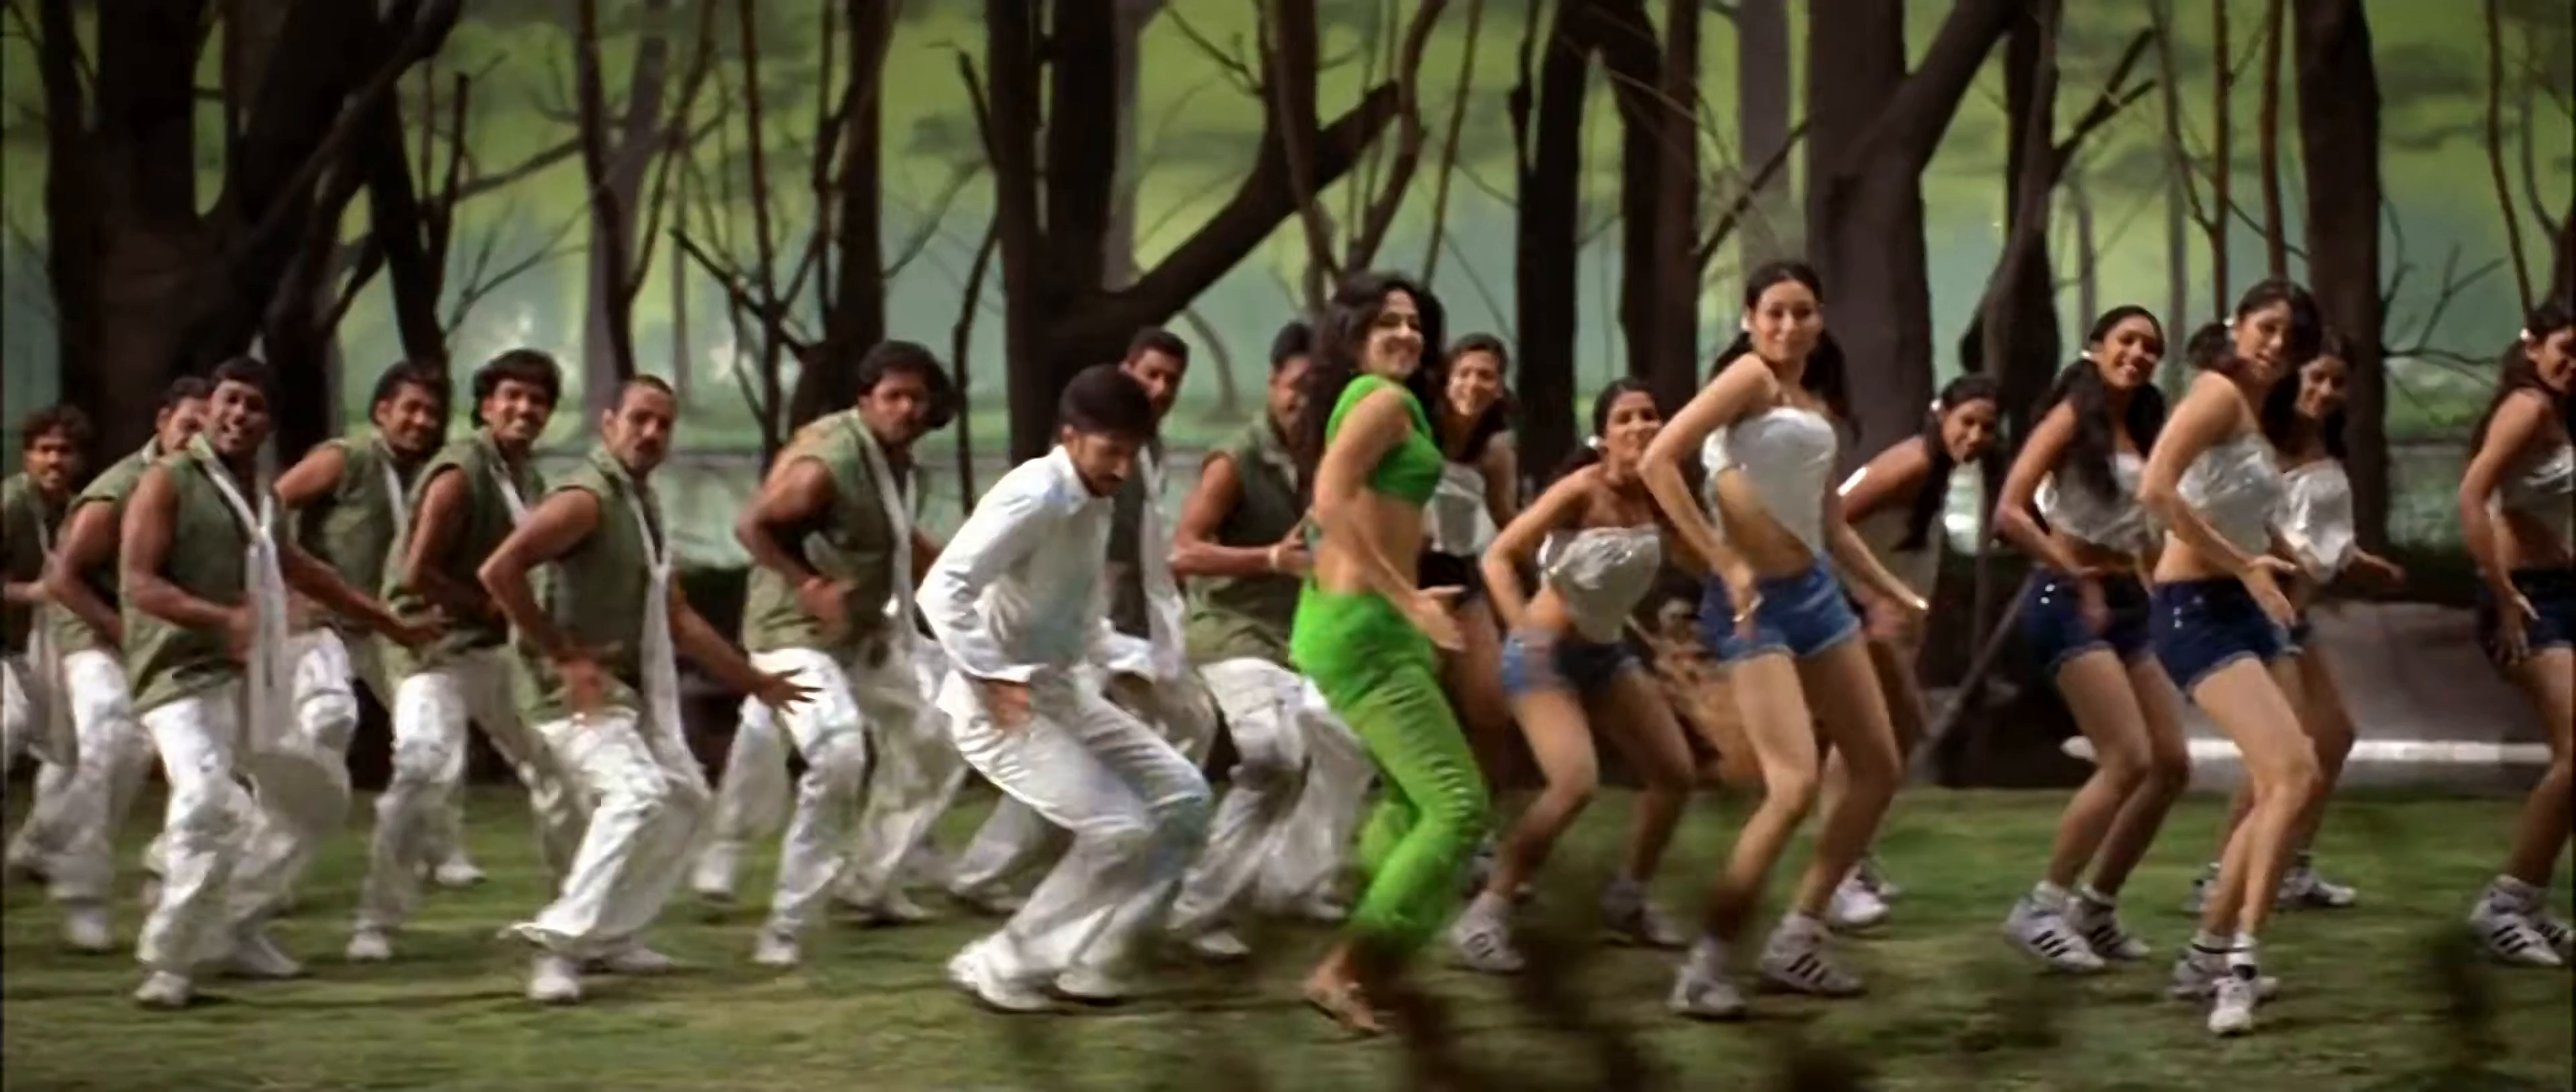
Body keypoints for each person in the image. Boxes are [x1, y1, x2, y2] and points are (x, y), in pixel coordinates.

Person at [1638, 260, 1922, 1019]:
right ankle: (1705, 966)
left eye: (1802, 312)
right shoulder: (1749, 380)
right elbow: (1658, 461)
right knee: (1793, 786)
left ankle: (1799, 935)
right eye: (1774, 312)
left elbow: (1831, 523)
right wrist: (1723, 560)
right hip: (1752, 606)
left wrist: (1893, 592)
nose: (1789, 326)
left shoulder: (1815, 402)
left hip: (1818, 596)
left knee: (1878, 765)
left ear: (1820, 320)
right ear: (1749, 319)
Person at [478, 375, 814, 1003]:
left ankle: (612, 937)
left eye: (664, 423)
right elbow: (499, 571)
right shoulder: (585, 499)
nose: (652, 432)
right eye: (640, 419)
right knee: (637, 796)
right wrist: (564, 656)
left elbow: (678, 617)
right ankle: (560, 947)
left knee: (685, 799)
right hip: (565, 695)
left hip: (621, 694)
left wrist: (754, 681)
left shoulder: (640, 503)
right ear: (609, 424)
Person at [118, 358, 435, 1009]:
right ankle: (172, 961)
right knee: (207, 800)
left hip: (246, 673)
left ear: (268, 425)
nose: (239, 414)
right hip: (179, 675)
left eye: (254, 407)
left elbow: (302, 567)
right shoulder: (167, 479)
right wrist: (225, 618)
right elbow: (139, 583)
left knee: (316, 797)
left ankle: (232, 923)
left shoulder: (257, 495)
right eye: (231, 400)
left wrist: (390, 624)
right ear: (209, 408)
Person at [920, 364, 1212, 1012]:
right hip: (997, 708)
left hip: (1061, 692)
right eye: (1111, 451)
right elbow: (942, 588)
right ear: (1071, 436)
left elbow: (1073, 620)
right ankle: (1004, 965)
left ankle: (1101, 958)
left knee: (1187, 800)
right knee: (1121, 829)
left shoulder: (1094, 499)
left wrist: (1144, 665)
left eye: (1133, 453)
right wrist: (991, 676)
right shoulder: (1034, 494)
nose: (1122, 469)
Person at [712, 340, 958, 965]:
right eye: (893, 397)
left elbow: (900, 540)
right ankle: (786, 924)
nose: (906, 409)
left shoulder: (896, 461)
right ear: (866, 400)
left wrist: (974, 580)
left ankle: (870, 879)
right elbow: (750, 525)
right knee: (839, 752)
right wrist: (809, 586)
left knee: (936, 731)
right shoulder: (828, 465)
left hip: (860, 633)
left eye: (917, 398)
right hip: (791, 633)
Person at [1289, 272, 1487, 1035]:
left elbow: (1335, 514)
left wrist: (1398, 584)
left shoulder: (1372, 402)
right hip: (1368, 630)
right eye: (1387, 323)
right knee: (1458, 806)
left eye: (1413, 323)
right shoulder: (1381, 400)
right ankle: (1346, 969)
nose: (1407, 334)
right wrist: (1407, 599)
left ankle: (1377, 933)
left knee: (1412, 800)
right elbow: (1329, 497)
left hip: (1365, 618)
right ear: (1353, 336)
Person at [1449, 376, 1696, 973]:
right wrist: (1521, 631)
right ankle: (1485, 916)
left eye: (1649, 415)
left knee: (1675, 775)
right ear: (1603, 438)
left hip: (1606, 656)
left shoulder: (1664, 495)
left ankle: (1627, 901)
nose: (1640, 427)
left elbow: (1699, 561)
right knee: (1574, 783)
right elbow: (1498, 556)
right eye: (1625, 419)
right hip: (1545, 656)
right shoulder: (1582, 490)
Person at [347, 349, 586, 963]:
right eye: (513, 397)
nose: (525, 409)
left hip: (491, 648)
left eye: (538, 400)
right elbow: (415, 572)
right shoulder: (461, 472)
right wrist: (484, 605)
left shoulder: (526, 477)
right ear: (486, 406)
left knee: (558, 766)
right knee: (422, 767)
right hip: (429, 644)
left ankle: (578, 914)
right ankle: (376, 920)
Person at [2137, 280, 2327, 1036]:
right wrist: (2244, 565)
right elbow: (2157, 490)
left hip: (2251, 608)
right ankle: (2239, 966)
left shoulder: (2256, 411)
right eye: (2267, 326)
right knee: (2295, 773)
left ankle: (2207, 955)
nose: (2277, 344)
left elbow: (2241, 508)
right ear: (2237, 325)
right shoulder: (2216, 393)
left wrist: (2284, 558)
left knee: (2281, 782)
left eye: (2291, 336)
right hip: (2195, 609)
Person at [1990, 307, 2188, 975]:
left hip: (2128, 601)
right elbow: (2010, 510)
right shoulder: (2072, 415)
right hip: (2068, 600)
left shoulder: (2147, 427)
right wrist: (2073, 573)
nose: (2138, 354)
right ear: (2096, 348)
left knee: (2171, 764)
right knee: (2126, 758)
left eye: (2151, 347)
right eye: (2126, 341)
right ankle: (2041, 907)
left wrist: (2167, 601)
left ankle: (2096, 907)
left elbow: (2146, 534)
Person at [1165, 321, 1370, 959]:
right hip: (1232, 631)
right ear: (1274, 383)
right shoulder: (1236, 461)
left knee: (1351, 740)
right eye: (1296, 386)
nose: (1304, 402)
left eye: (1319, 390)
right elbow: (1183, 552)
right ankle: (1197, 911)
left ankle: (1292, 882)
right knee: (1274, 756)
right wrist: (1269, 560)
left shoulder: (1331, 458)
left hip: (1302, 637)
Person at [2178, 342, 2404, 915]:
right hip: (2264, 612)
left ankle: (2290, 865)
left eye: (2337, 383)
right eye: (2317, 377)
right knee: (2282, 755)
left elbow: (2320, 529)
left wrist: (2361, 562)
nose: (2326, 392)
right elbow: (2254, 522)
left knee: (2335, 736)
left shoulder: (2322, 442)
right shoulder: (2261, 443)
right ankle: (2220, 877)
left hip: (2296, 616)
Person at [273, 361, 486, 899]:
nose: (421, 421)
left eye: (432, 412)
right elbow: (269, 507)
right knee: (321, 725)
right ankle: (271, 865)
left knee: (435, 729)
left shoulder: (432, 473)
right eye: (410, 408)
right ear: (382, 410)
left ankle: (441, 848)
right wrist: (290, 586)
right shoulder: (345, 458)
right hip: (327, 621)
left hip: (391, 623)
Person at [26, 378, 207, 952]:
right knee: (112, 733)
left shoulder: (217, 485)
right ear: (163, 422)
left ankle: (162, 866)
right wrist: (124, 634)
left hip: (171, 639)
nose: (198, 438)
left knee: (221, 759)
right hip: (95, 627)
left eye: (208, 428)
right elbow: (62, 578)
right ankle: (81, 889)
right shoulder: (121, 488)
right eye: (189, 425)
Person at [1822, 374, 2001, 927]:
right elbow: (1827, 525)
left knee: (1888, 742)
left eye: (1987, 427)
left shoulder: (1936, 469)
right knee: (1868, 743)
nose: (1975, 436)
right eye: (1967, 422)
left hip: (1886, 622)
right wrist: (1868, 603)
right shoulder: (1911, 465)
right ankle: (1835, 878)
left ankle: (1853, 856)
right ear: (1940, 415)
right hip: (1854, 615)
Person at [2456, 303, 2575, 969]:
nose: (2574, 364)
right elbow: (2473, 496)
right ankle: (2504, 904)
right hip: (2527, 603)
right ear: (2534, 347)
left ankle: (2529, 900)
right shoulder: (2526, 406)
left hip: (2561, 591)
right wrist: (2503, 594)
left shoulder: (2558, 412)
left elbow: (2532, 508)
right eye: (2567, 349)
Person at [1426, 334, 1522, 888]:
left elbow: (1508, 519)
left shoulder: (1494, 451)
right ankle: (1427, 825)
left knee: (1491, 705)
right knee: (1423, 709)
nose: (1473, 385)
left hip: (1461, 577)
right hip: (1411, 577)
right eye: (1464, 373)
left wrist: (1548, 561)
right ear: (1447, 378)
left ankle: (1480, 832)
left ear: (1500, 386)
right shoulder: (1417, 427)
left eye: (1486, 375)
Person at [1, 406, 92, 861]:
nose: (55, 460)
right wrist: (34, 592)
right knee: (9, 726)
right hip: (6, 644)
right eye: (44, 450)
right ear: (27, 456)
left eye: (65, 451)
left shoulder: (79, 511)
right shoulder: (10, 505)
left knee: (68, 747)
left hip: (43, 646)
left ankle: (34, 847)